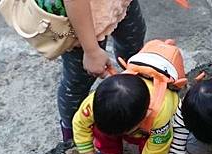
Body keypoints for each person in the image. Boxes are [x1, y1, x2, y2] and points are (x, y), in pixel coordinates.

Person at [59, 0, 146, 144]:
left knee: (133, 51)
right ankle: (73, 139)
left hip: (119, 4)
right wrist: (91, 50)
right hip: (83, 22)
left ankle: (130, 110)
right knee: (78, 80)